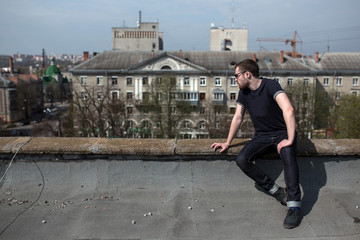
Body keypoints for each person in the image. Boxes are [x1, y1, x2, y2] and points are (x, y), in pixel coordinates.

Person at [211, 59, 301, 229]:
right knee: (241, 159)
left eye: (236, 76)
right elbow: (238, 117)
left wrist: (289, 139)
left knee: (289, 157)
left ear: (248, 74)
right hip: (262, 136)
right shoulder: (243, 93)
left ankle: (294, 206)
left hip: (282, 133)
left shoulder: (271, 85)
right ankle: (276, 191)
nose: (235, 80)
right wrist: (227, 142)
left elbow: (288, 109)